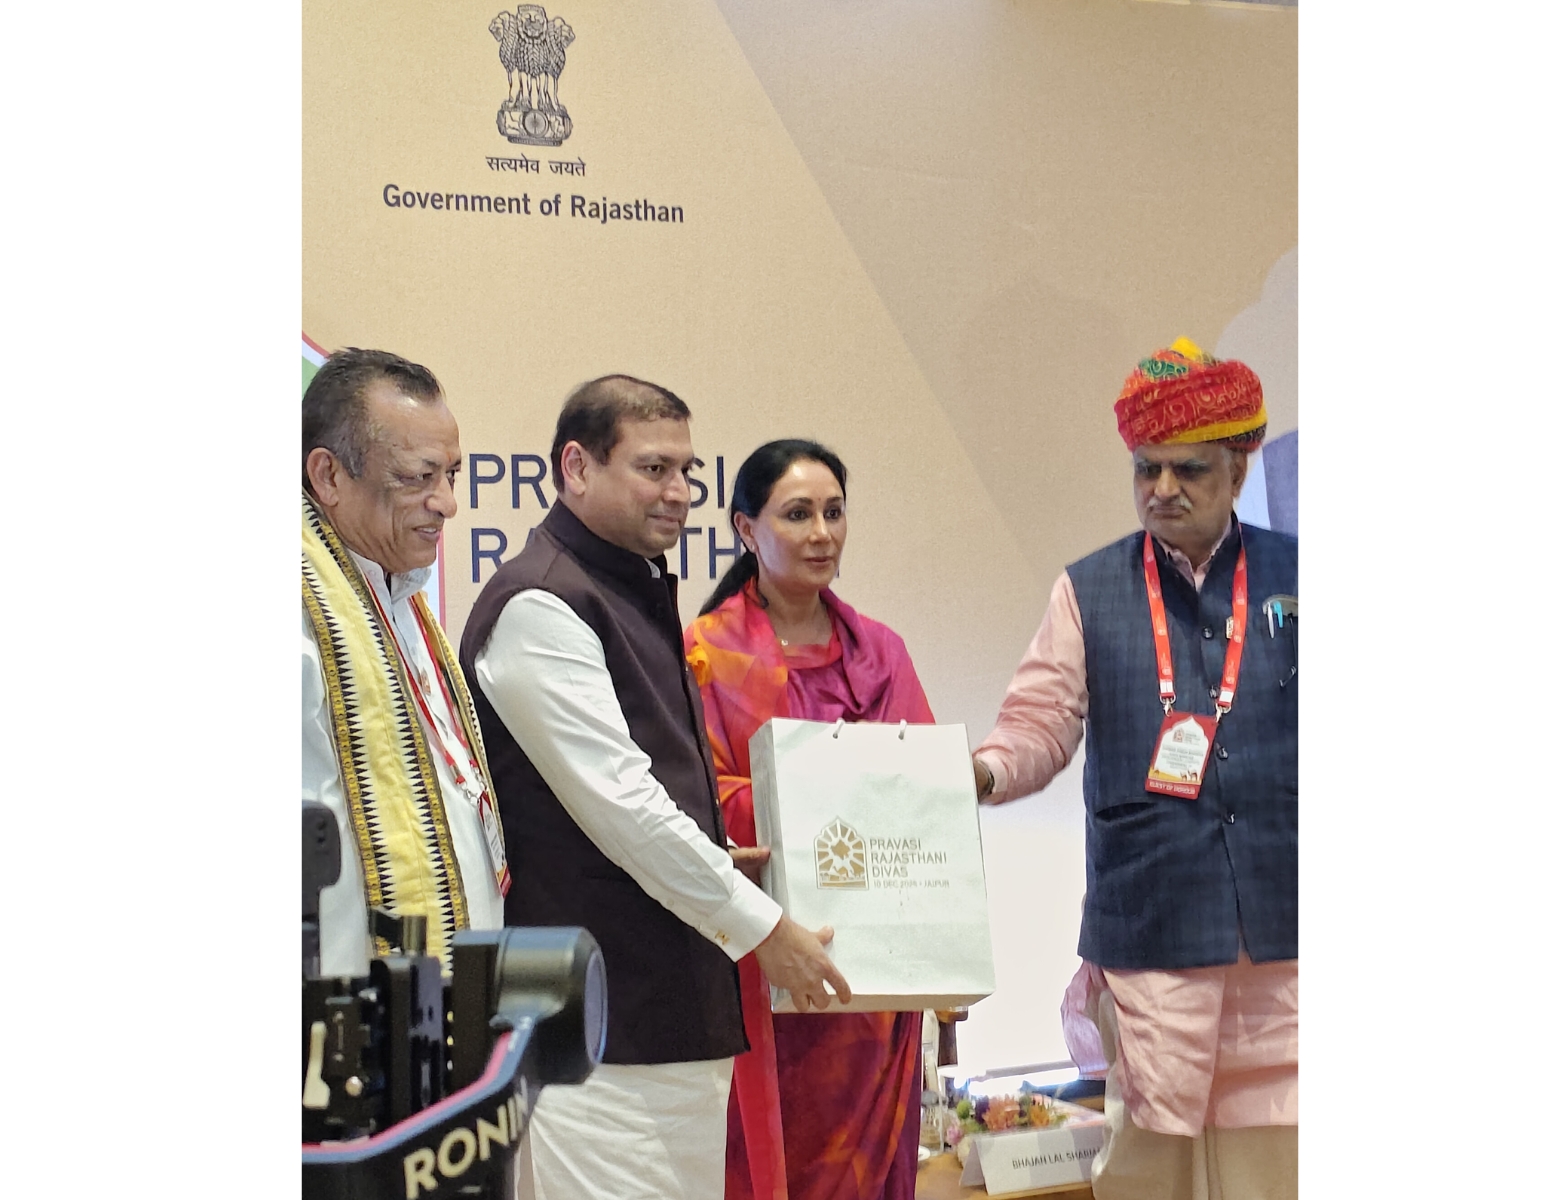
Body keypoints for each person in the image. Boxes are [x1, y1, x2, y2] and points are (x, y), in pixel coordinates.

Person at [458, 376, 852, 1200]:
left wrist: (719, 858)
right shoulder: (543, 600)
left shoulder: (627, 584)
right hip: (598, 1022)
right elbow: (624, 808)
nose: (679, 494)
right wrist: (762, 928)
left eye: (687, 471)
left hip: (664, 1005)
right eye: (653, 469)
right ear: (576, 465)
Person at [972, 339, 1297, 1200]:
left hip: (1289, 920)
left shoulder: (1304, 576)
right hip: (1153, 916)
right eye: (1146, 469)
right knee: (1152, 1154)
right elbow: (1039, 720)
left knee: (1283, 1156)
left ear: (1238, 468)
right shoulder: (1089, 588)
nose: (1162, 490)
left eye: (1188, 471)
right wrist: (986, 774)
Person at [684, 440, 934, 1200]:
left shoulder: (881, 651)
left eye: (833, 512)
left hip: (869, 971)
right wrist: (808, 797)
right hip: (761, 960)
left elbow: (922, 799)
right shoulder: (703, 653)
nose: (822, 532)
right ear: (744, 528)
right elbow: (685, 805)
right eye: (797, 515)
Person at [301, 347, 507, 978]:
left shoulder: (399, 598)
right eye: (418, 477)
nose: (446, 502)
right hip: (331, 1024)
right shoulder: (300, 610)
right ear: (329, 476)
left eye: (452, 474)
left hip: (430, 1015)